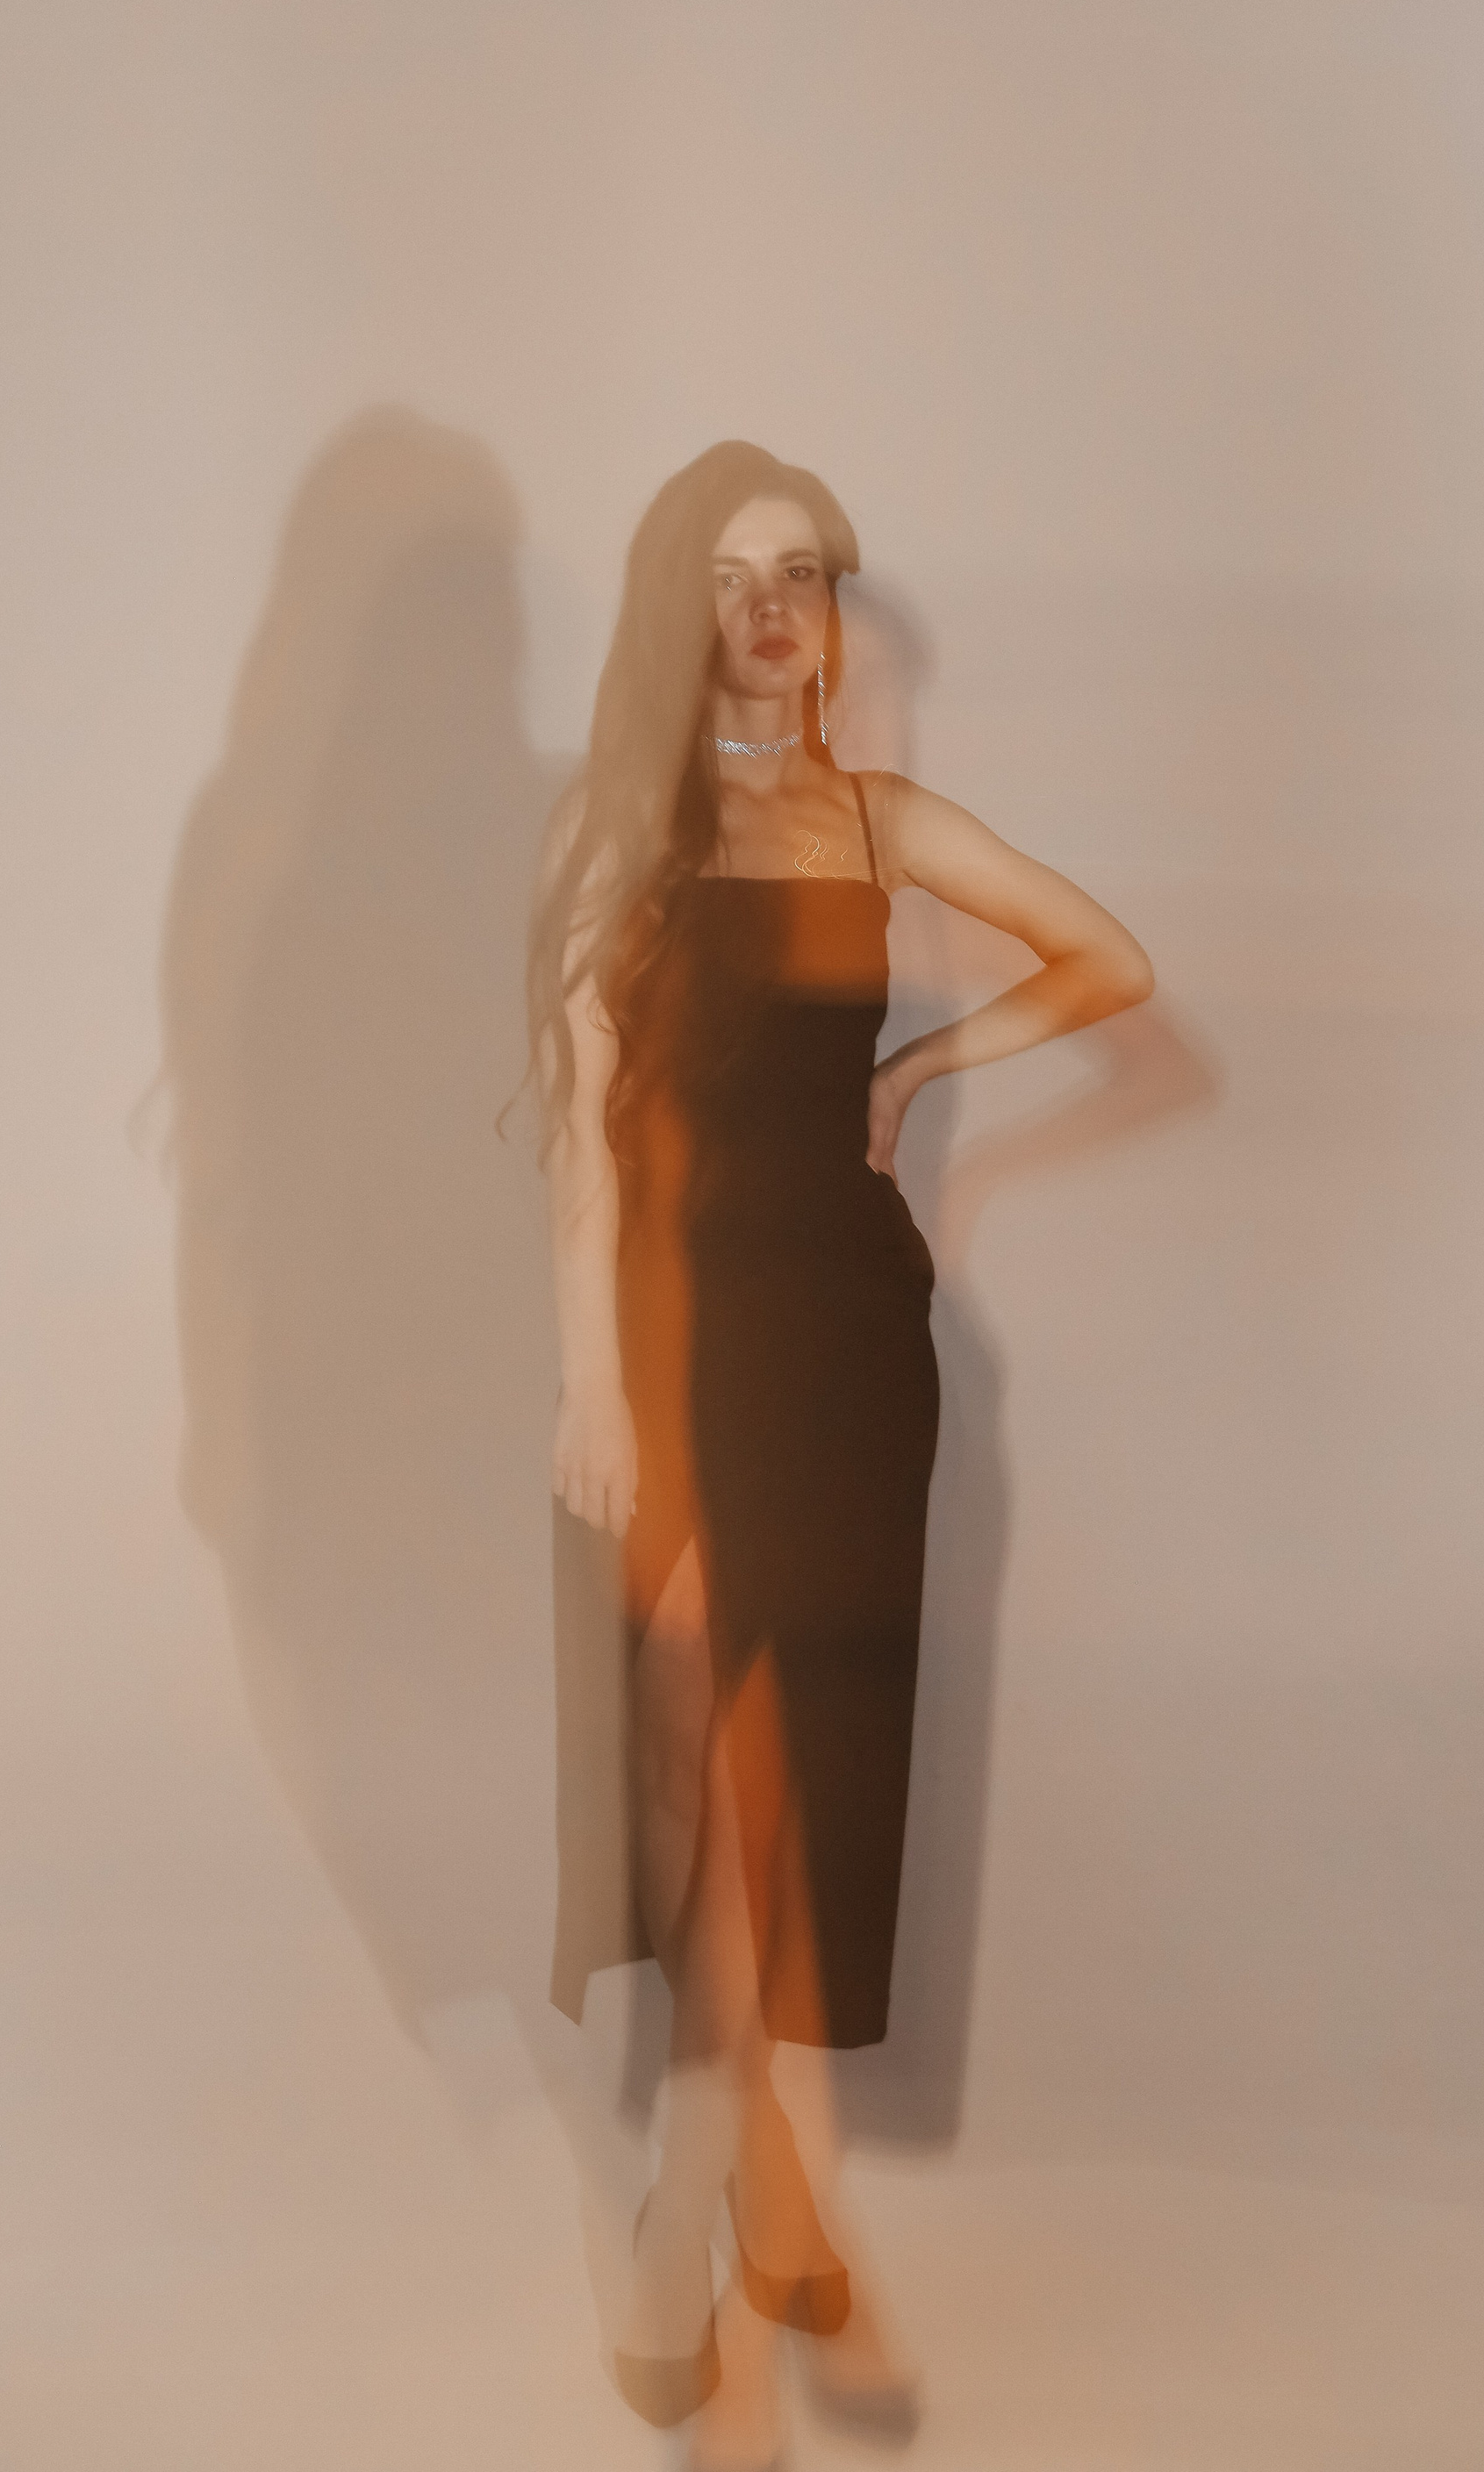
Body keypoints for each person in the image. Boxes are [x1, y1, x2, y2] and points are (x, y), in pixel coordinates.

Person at [526, 441, 1153, 2465]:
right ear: (680, 612)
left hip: (849, 1350)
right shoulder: (616, 831)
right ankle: (757, 2181)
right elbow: (578, 1131)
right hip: (671, 1339)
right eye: (731, 576)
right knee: (697, 1750)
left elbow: (1110, 958)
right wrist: (594, 1386)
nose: (773, 607)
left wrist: (922, 1064)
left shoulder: (877, 821)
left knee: (775, 1766)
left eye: (801, 571)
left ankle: (694, 2201)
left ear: (832, 610)